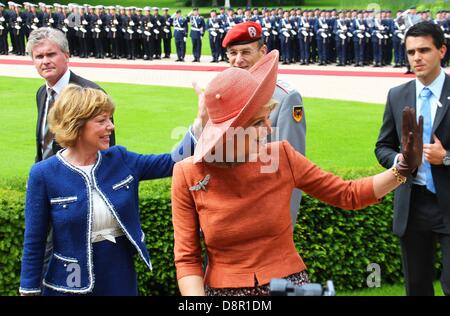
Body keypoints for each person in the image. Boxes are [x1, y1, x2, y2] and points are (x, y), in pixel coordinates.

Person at [171, 50, 423, 296]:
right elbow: (187, 259)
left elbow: (348, 194)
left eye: (267, 118)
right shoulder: (188, 174)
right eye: (259, 123)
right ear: (230, 134)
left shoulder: (283, 156)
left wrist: (401, 169)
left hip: (289, 284)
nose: (269, 129)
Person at [19, 83, 206, 295]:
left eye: (110, 119)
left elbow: (171, 161)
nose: (111, 126)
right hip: (68, 284)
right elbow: (34, 240)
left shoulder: (120, 158)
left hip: (119, 275)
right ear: (76, 125)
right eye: (101, 121)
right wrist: (28, 290)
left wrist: (200, 123)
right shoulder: (43, 173)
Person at [375, 21, 450, 296]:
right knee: (417, 287)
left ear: (442, 50)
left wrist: (446, 158)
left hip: (448, 203)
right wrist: (399, 160)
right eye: (410, 52)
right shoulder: (397, 95)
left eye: (424, 50)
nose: (416, 57)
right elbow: (382, 146)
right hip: (412, 204)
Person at [221, 21, 306, 227]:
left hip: (262, 217)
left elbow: (291, 167)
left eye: (246, 52)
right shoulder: (222, 93)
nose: (238, 60)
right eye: (233, 53)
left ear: (263, 51)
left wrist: (285, 226)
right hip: (224, 214)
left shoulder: (286, 98)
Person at [26, 27, 115, 163]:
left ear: (66, 56)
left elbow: (106, 150)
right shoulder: (42, 93)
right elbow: (44, 144)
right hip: (46, 176)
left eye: (51, 54)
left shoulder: (91, 94)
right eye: (39, 56)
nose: (45, 61)